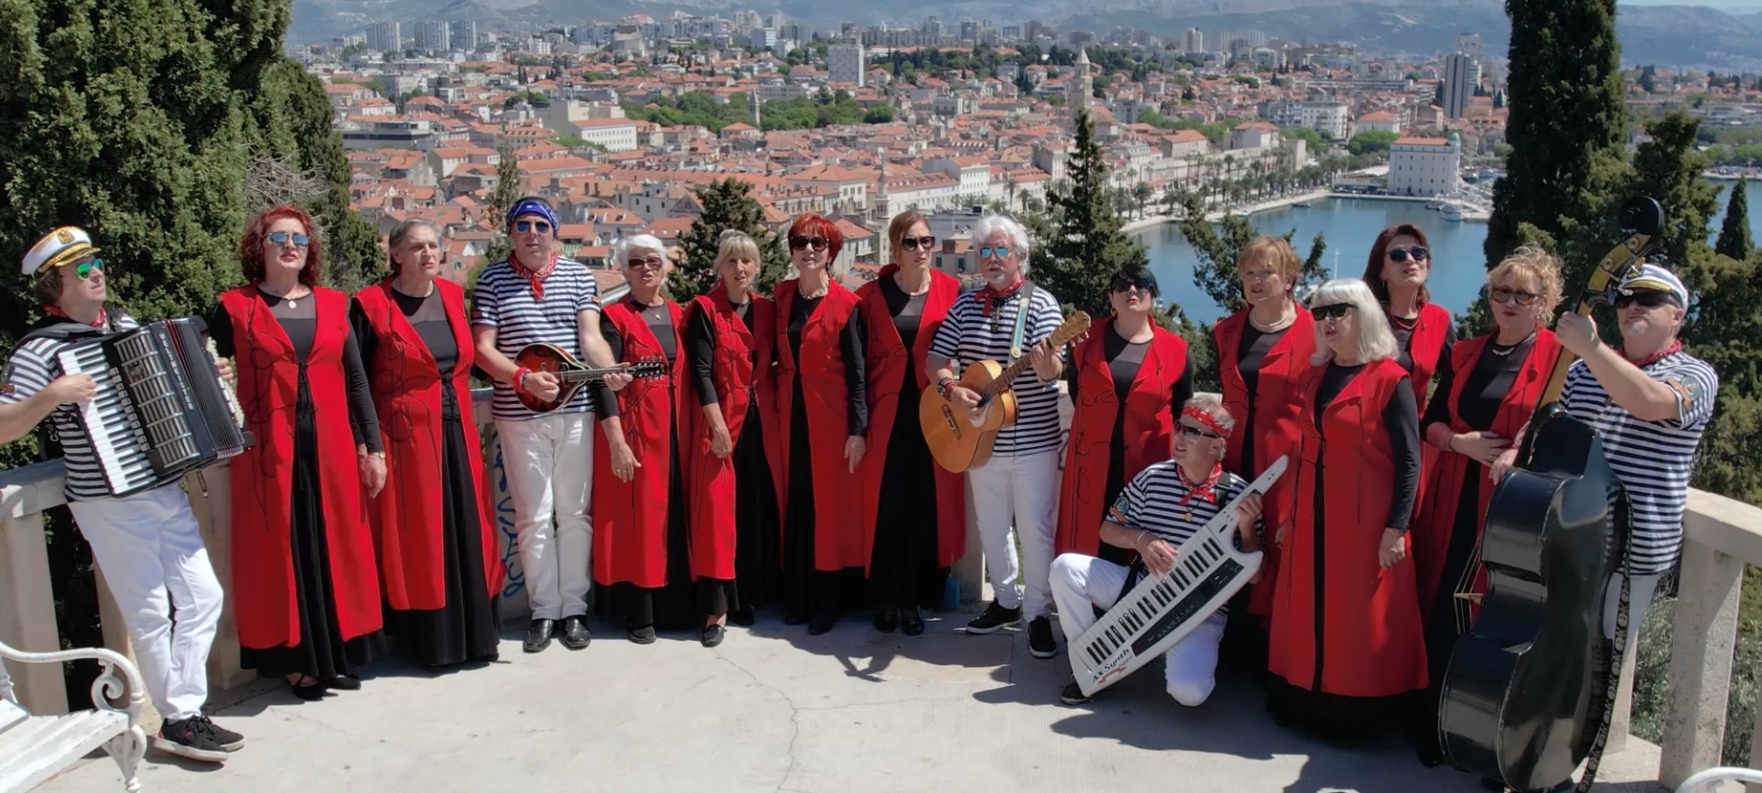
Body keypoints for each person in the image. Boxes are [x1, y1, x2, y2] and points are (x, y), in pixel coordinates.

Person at [0, 226, 243, 761]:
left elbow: (177, 390)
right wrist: (51, 395)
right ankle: (181, 718)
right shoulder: (39, 351)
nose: (98, 272)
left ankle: (183, 712)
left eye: (98, 262)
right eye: (82, 269)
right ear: (53, 285)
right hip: (106, 499)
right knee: (151, 611)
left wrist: (213, 371)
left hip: (164, 487)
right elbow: (3, 426)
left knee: (204, 597)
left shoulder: (128, 328)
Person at [212, 205, 387, 701]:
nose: (290, 246)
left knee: (334, 548)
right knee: (285, 553)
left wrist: (373, 447)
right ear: (259, 247)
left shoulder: (334, 304)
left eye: (300, 239)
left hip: (331, 447)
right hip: (269, 455)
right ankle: (299, 663)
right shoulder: (234, 307)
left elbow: (356, 380)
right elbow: (209, 370)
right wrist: (219, 375)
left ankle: (334, 656)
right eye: (278, 238)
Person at [1410, 248, 1564, 764]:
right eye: (1502, 292)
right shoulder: (1467, 352)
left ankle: (1484, 735)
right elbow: (1428, 422)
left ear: (1544, 303)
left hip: (1507, 506)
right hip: (1452, 495)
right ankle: (1434, 724)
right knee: (1439, 604)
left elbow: (1559, 431)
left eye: (1523, 294)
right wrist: (1461, 444)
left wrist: (1521, 448)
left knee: (1493, 617)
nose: (1510, 302)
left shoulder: (1560, 360)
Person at [1520, 263, 1717, 661]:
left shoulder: (1696, 374)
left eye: (1648, 300)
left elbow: (1650, 403)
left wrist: (1592, 347)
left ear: (1677, 315)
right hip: (1572, 540)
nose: (1632, 307)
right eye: (1625, 300)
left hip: (1633, 554)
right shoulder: (1582, 373)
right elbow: (1547, 430)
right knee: (1553, 661)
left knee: (1600, 672)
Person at [1266, 278, 1425, 739]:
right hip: (1314, 516)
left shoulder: (1391, 380)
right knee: (1311, 609)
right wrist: (1289, 516)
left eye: (1340, 311)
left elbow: (1410, 460)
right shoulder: (1317, 373)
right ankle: (1307, 705)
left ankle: (1354, 721)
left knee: (1357, 622)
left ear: (1364, 314)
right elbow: (1304, 450)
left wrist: (1396, 527)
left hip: (1365, 523)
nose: (1328, 321)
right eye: (1320, 313)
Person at [471, 196, 629, 654]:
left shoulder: (579, 276)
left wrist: (609, 371)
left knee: (575, 515)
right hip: (518, 415)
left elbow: (590, 338)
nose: (532, 233)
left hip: (575, 410)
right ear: (511, 233)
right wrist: (521, 377)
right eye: (523, 225)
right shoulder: (492, 281)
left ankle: (574, 608)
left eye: (541, 225)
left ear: (555, 232)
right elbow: (483, 348)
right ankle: (544, 611)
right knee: (533, 516)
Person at [352, 219, 502, 671]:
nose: (428, 254)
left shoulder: (455, 297)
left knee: (466, 530)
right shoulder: (370, 305)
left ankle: (474, 638)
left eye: (434, 245)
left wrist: (520, 375)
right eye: (416, 247)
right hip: (404, 442)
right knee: (420, 537)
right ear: (396, 254)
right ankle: (431, 643)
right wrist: (368, 445)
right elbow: (355, 381)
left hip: (457, 433)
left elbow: (472, 362)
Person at [1052, 394, 1263, 707]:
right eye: (1180, 428)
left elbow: (1255, 577)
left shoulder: (1238, 493)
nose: (1178, 437)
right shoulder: (1153, 477)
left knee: (1189, 694)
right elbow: (1107, 529)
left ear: (1217, 446)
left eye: (1192, 432)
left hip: (1198, 609)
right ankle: (1096, 664)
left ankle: (1153, 651)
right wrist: (1143, 541)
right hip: (1143, 589)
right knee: (1064, 568)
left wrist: (1246, 528)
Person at [927, 214, 1066, 659]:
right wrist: (952, 389)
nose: (991, 259)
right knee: (991, 526)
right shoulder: (965, 306)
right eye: (983, 251)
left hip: (1033, 443)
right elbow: (936, 360)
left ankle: (1038, 614)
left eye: (1000, 249)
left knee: (1035, 531)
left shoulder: (1042, 304)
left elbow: (1055, 370)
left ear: (1020, 256)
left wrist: (1048, 366)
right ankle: (1006, 602)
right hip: (978, 441)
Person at [854, 211, 966, 636]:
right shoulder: (868, 295)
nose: (921, 250)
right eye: (911, 243)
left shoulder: (953, 291)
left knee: (925, 507)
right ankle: (888, 599)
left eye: (926, 242)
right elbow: (857, 362)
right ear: (894, 247)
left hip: (935, 415)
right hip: (885, 419)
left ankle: (915, 600)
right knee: (886, 508)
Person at [590, 235, 705, 644]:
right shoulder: (614, 317)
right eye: (636, 262)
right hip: (638, 435)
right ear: (623, 270)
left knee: (675, 517)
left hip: (680, 432)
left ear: (665, 266)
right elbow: (601, 385)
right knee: (641, 522)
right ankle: (641, 613)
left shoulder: (681, 314)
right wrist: (617, 441)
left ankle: (679, 608)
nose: (645, 268)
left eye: (653, 260)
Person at [1213, 237, 1316, 655]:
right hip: (1234, 455)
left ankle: (1274, 649)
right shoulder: (1228, 329)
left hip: (1288, 461)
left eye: (1266, 272)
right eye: (1249, 273)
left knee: (1280, 544)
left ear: (1289, 278)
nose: (1256, 281)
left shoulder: (1314, 332)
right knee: (1233, 538)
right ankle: (1230, 638)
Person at [1054, 265, 1194, 565]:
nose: (1132, 291)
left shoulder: (1176, 349)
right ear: (1111, 297)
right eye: (1123, 286)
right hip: (1091, 464)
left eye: (1142, 285)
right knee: (1087, 540)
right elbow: (1078, 394)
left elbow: (1182, 409)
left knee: (1139, 541)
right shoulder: (1085, 342)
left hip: (1148, 467)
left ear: (1153, 296)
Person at [685, 230, 784, 639]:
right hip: (723, 424)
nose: (739, 268)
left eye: (746, 261)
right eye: (731, 261)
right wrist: (718, 427)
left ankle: (749, 596)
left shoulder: (766, 309)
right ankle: (717, 609)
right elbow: (701, 373)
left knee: (755, 510)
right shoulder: (705, 310)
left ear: (757, 267)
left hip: (764, 425)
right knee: (717, 514)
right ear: (719, 267)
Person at [773, 213, 869, 635]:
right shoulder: (781, 297)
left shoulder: (847, 306)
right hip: (789, 415)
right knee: (796, 505)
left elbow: (858, 371)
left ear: (831, 251)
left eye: (817, 243)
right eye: (799, 242)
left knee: (827, 512)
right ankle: (796, 596)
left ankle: (826, 603)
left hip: (830, 421)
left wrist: (858, 429)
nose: (808, 250)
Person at [1362, 224, 1455, 391]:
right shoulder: (1363, 317)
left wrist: (1436, 415)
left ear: (1427, 264)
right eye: (1398, 255)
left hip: (1417, 417)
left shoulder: (1438, 319)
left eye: (1418, 253)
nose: (1410, 260)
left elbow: (1457, 378)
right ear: (1382, 271)